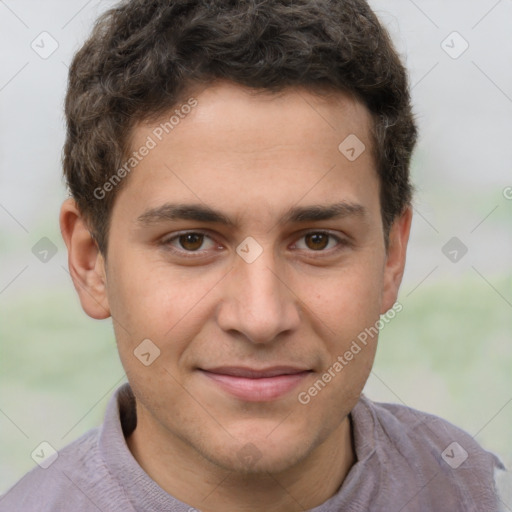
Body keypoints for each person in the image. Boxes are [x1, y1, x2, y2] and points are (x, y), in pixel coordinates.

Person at [0, 0, 505, 510]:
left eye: (317, 240)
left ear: (392, 257)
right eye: (191, 241)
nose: (261, 318)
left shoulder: (479, 492)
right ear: (91, 263)